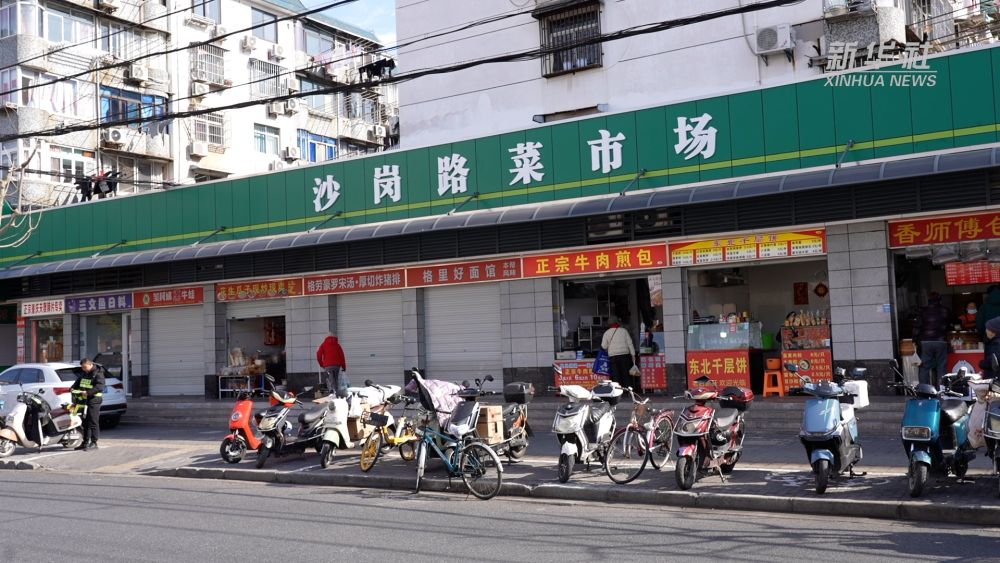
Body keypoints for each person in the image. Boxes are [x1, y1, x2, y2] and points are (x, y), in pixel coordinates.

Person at [912, 292, 951, 388]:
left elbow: (917, 326)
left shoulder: (923, 311)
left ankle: (924, 390)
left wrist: (914, 339)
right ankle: (941, 389)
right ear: (940, 300)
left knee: (924, 367)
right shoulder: (945, 310)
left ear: (928, 300)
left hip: (926, 342)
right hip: (941, 341)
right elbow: (950, 324)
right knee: (941, 367)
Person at [71, 358, 105, 451]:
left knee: (93, 421)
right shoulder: (85, 373)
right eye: (82, 367)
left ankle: (94, 443)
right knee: (85, 423)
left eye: (85, 367)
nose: (83, 369)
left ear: (90, 365)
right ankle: (85, 442)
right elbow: (78, 382)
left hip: (94, 400)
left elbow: (99, 387)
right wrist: (73, 388)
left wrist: (88, 392)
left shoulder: (98, 373)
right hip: (84, 400)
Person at [601, 318, 637, 390]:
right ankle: (628, 391)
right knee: (626, 374)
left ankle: (618, 391)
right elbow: (630, 343)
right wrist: (633, 354)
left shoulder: (607, 333)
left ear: (609, 324)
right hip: (624, 356)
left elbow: (603, 346)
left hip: (613, 357)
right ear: (617, 322)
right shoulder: (624, 331)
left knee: (616, 375)